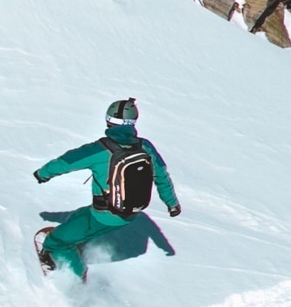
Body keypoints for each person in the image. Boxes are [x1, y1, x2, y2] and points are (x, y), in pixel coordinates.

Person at [32, 98, 180, 280]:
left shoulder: (101, 149)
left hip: (105, 215)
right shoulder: (145, 147)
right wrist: (172, 204)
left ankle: (75, 279)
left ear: (109, 120)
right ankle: (78, 240)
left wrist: (42, 174)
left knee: (57, 241)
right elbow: (162, 176)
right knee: (81, 216)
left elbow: (66, 162)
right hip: (130, 214)